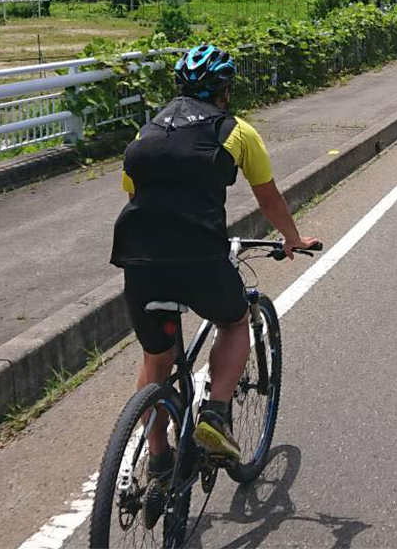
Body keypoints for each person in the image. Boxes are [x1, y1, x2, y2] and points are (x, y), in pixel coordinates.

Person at [113, 43, 321, 481]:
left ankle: (158, 458)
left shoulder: (145, 132)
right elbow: (268, 198)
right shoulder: (236, 131)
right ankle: (215, 415)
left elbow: (135, 195)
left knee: (157, 357)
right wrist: (292, 238)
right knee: (234, 320)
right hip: (200, 257)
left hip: (138, 260)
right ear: (224, 90)